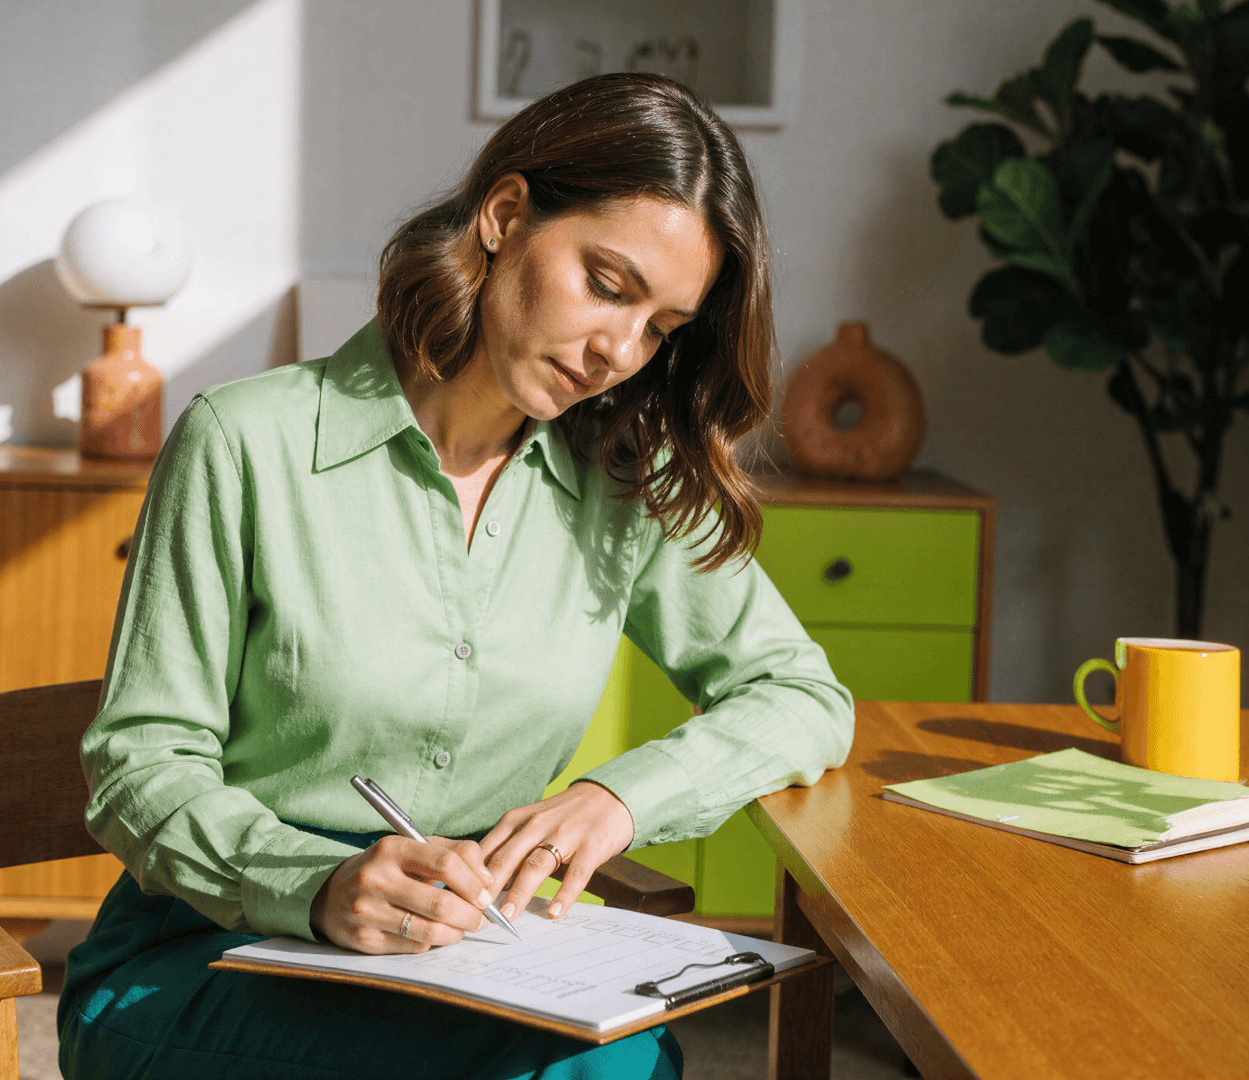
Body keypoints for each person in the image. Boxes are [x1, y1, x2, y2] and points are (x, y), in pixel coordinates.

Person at [58, 72, 855, 1080]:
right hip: (210, 954)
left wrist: (619, 798)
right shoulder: (244, 443)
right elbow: (140, 763)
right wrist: (318, 882)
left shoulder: (621, 483)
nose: (620, 349)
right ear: (506, 215)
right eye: (607, 285)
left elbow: (801, 695)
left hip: (476, 957)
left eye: (659, 328)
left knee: (617, 1063)